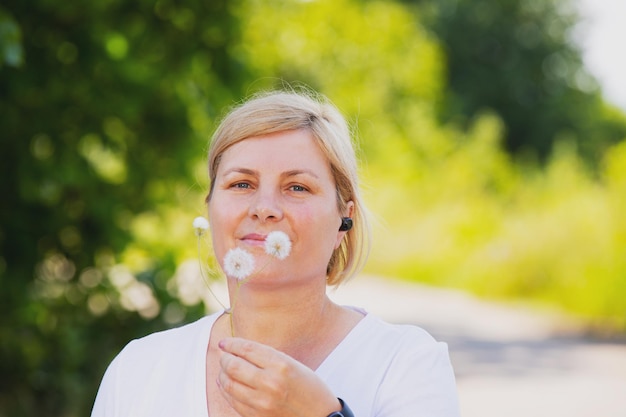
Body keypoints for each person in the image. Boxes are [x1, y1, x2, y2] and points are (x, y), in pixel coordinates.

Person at [91, 89, 460, 417]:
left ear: (342, 220)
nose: (264, 207)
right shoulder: (138, 370)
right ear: (210, 207)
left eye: (297, 187)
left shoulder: (405, 366)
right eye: (241, 183)